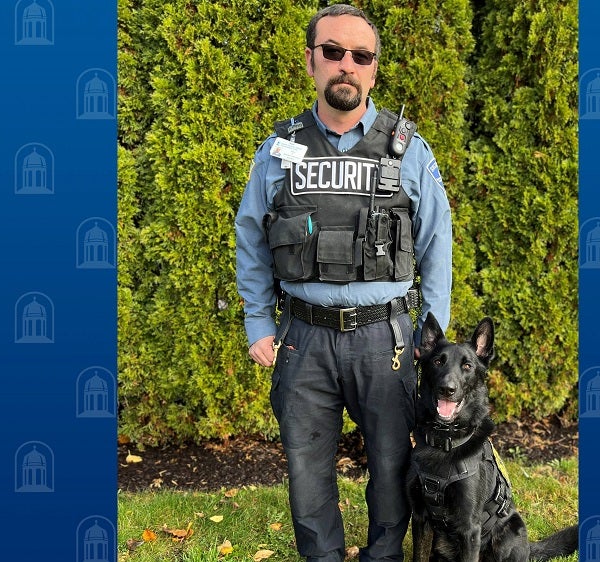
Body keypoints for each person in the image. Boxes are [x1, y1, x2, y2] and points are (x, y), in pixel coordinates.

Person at [235, 4, 452, 561]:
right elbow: (252, 238)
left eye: (360, 56)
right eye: (332, 52)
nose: (346, 65)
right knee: (306, 471)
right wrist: (258, 321)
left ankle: (385, 555)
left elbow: (437, 243)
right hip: (303, 339)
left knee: (390, 468)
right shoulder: (279, 151)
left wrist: (435, 334)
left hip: (386, 341)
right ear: (311, 62)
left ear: (373, 70)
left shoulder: (408, 149)